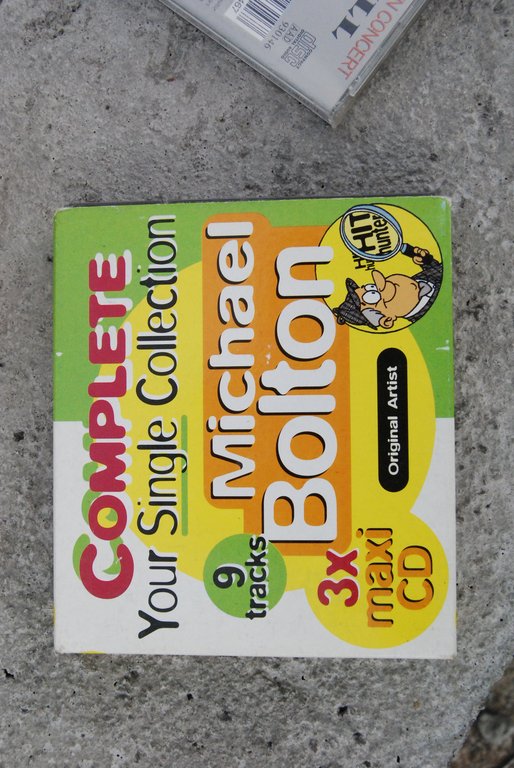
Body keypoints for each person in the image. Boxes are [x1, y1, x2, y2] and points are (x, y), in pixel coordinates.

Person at [332, 246, 442, 330]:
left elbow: (438, 269)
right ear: (387, 318)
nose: (383, 285)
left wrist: (426, 261)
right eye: (372, 296)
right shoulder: (432, 319)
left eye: (371, 287)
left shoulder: (419, 280)